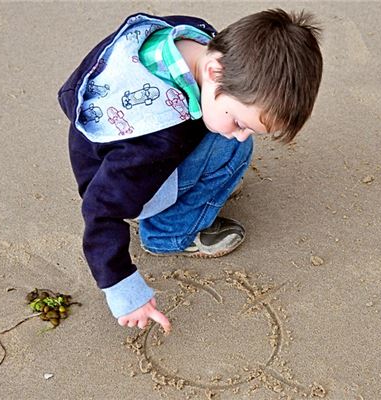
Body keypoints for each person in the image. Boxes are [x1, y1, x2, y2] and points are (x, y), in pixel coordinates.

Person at [58, 9, 323, 333]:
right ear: (214, 70)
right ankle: (168, 233)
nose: (242, 132)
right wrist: (123, 288)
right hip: (121, 178)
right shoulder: (158, 136)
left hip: (102, 146)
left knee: (222, 135)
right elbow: (101, 209)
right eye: (240, 122)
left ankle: (182, 191)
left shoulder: (192, 33)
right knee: (232, 151)